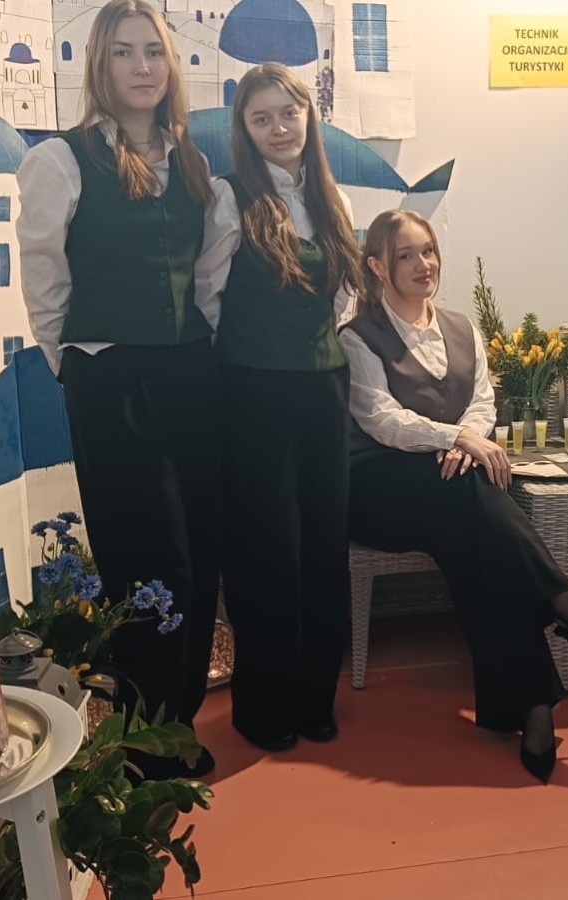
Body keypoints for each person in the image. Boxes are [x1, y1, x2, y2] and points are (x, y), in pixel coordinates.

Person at [341, 209, 568, 782]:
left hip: (450, 487)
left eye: (428, 250)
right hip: (378, 487)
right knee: (470, 491)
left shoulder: (462, 327)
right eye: (405, 255)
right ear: (377, 266)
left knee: (478, 549)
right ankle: (561, 602)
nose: (423, 264)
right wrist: (456, 438)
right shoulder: (358, 336)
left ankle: (532, 708)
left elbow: (483, 400)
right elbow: (380, 419)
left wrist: (471, 438)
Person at [16, 0, 218, 778]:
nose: (142, 67)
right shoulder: (62, 161)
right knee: (145, 559)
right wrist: (71, 361)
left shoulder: (189, 159)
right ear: (100, 65)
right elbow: (44, 276)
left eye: (154, 52)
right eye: (124, 53)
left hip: (188, 372)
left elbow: (205, 270)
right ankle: (140, 737)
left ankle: (177, 724)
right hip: (110, 377)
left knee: (198, 553)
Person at [195, 63, 363, 751]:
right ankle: (265, 709)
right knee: (265, 551)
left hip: (323, 390)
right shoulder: (229, 196)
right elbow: (207, 296)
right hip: (254, 392)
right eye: (261, 118)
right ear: (244, 128)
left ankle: (314, 699)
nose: (278, 128)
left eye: (288, 113)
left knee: (323, 546)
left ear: (308, 116)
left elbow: (344, 298)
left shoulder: (332, 197)